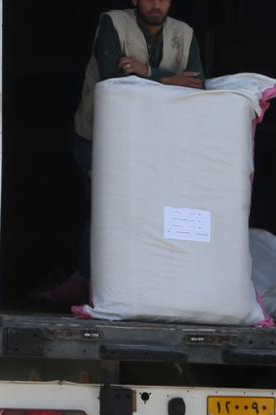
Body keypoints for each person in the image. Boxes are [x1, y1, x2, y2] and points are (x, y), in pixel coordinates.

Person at [51, 0, 207, 307]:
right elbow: (113, 78)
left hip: (155, 141)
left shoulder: (184, 33)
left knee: (153, 210)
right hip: (100, 135)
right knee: (104, 209)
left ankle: (141, 284)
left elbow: (198, 84)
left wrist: (147, 72)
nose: (156, 5)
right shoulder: (112, 23)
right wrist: (171, 79)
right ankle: (90, 282)